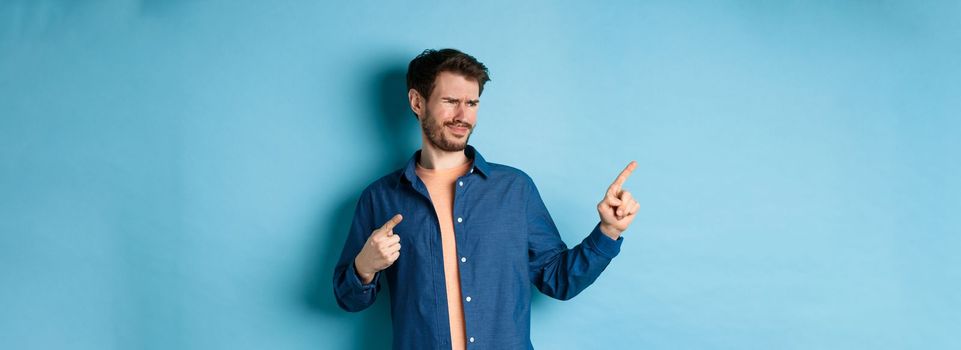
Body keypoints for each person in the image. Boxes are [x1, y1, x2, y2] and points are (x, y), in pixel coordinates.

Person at [333, 48, 640, 350]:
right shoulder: (381, 198)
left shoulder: (514, 190)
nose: (462, 115)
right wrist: (365, 266)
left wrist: (609, 231)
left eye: (472, 103)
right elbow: (348, 299)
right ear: (417, 102)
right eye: (451, 101)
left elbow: (560, 280)